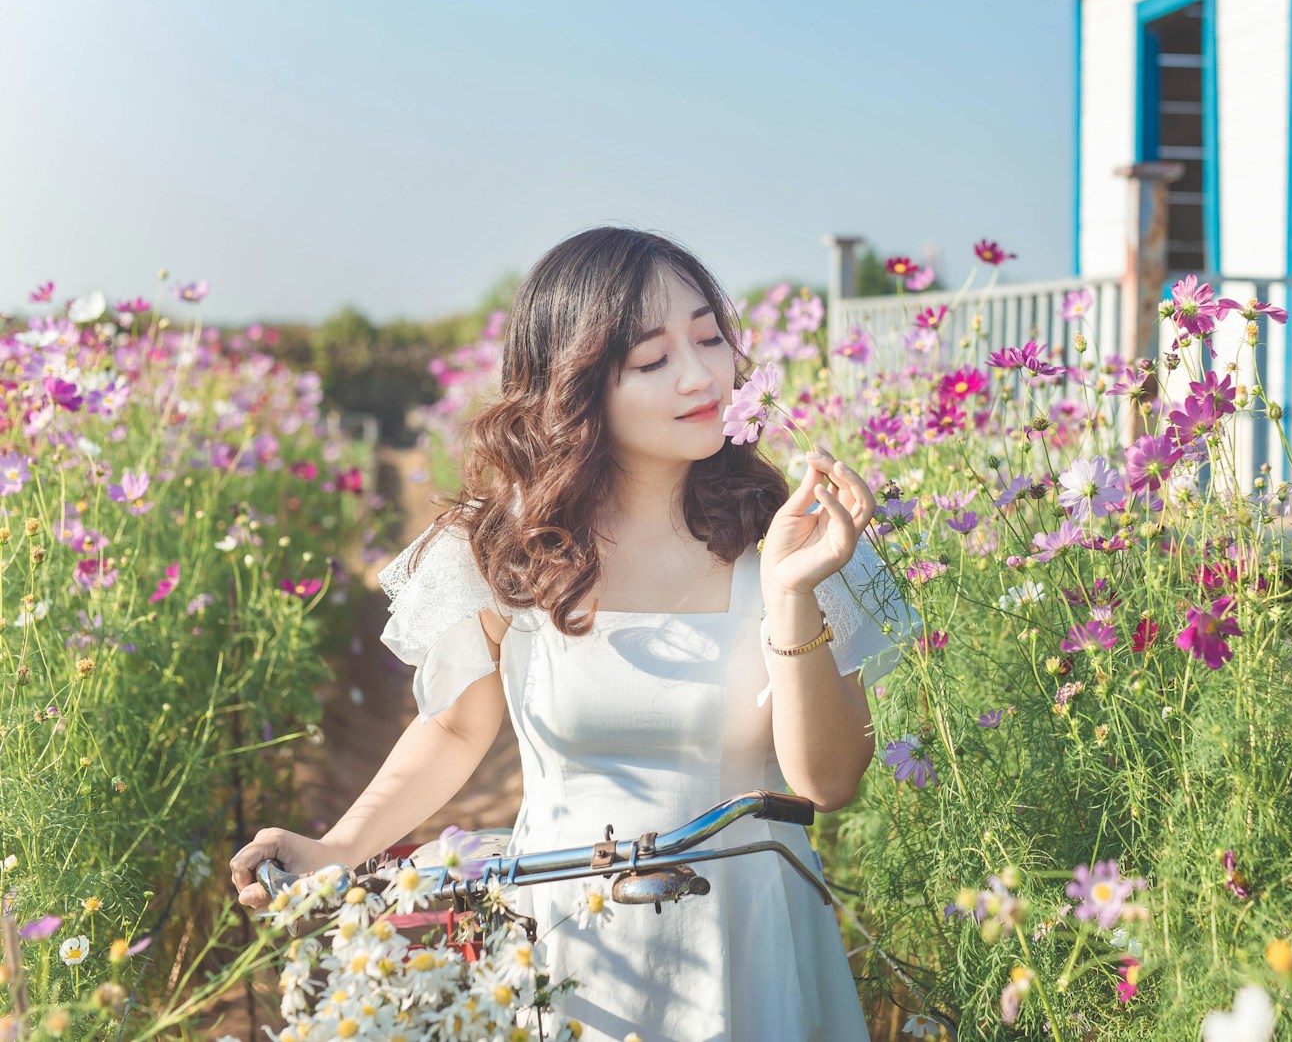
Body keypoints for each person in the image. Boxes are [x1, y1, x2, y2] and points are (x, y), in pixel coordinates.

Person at [229, 226, 924, 1040]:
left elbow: (827, 782)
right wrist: (337, 846)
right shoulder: (503, 547)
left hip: (755, 936)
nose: (703, 375)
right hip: (568, 937)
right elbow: (454, 726)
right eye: (654, 358)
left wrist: (791, 593)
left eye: (709, 337)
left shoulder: (790, 536)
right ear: (577, 384)